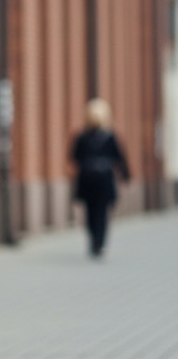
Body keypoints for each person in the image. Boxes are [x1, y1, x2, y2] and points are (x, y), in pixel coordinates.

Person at [71, 98, 130, 258]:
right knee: (102, 212)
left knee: (90, 211)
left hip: (88, 178)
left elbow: (74, 157)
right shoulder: (110, 136)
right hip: (104, 178)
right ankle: (99, 243)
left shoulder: (81, 137)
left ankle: (94, 241)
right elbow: (119, 158)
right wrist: (125, 175)